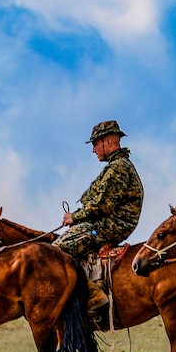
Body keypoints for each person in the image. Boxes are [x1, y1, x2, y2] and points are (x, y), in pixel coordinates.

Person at [55, 120, 144, 311]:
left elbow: (102, 205)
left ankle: (93, 295)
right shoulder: (118, 165)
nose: (94, 149)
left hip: (107, 226)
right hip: (107, 223)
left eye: (96, 144)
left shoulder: (118, 167)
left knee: (57, 250)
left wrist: (74, 217)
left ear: (109, 142)